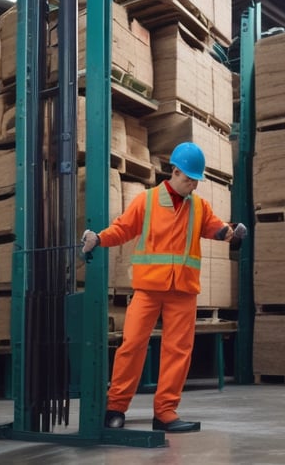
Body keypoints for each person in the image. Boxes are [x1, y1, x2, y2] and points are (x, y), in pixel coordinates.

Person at [81, 141, 237, 433]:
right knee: (132, 346)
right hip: (149, 289)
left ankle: (165, 413)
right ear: (174, 172)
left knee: (178, 351)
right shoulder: (147, 201)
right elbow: (122, 229)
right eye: (189, 179)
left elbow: (216, 227)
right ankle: (115, 407)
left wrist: (232, 234)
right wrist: (99, 239)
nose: (193, 186)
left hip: (184, 291)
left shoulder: (200, 207)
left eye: (195, 181)